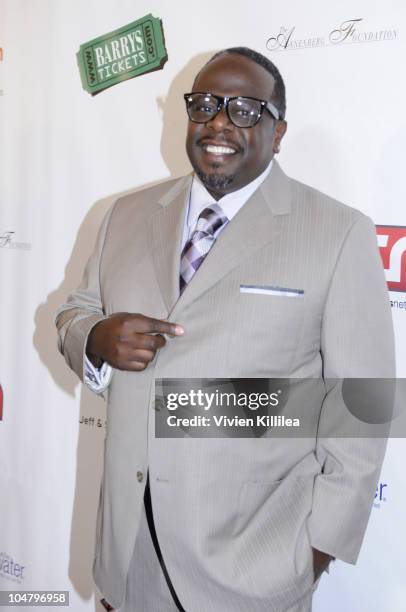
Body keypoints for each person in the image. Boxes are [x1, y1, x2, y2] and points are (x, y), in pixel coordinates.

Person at [56, 47, 395, 612]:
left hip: (254, 568)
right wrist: (94, 337)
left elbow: (363, 400)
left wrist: (317, 549)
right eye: (205, 104)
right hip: (130, 557)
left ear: (277, 131)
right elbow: (74, 312)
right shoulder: (126, 216)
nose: (218, 122)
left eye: (243, 109)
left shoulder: (337, 234)